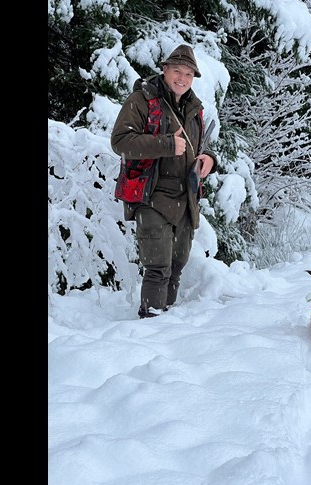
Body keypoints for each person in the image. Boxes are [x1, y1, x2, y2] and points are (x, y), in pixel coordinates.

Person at [111, 44, 218, 319]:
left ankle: (165, 327)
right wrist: (167, 145)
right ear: (164, 69)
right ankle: (151, 324)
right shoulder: (141, 100)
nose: (182, 78)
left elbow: (198, 147)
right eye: (177, 71)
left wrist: (209, 160)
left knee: (176, 265)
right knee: (158, 267)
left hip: (185, 199)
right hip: (152, 196)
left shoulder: (194, 108)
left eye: (189, 74)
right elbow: (121, 142)